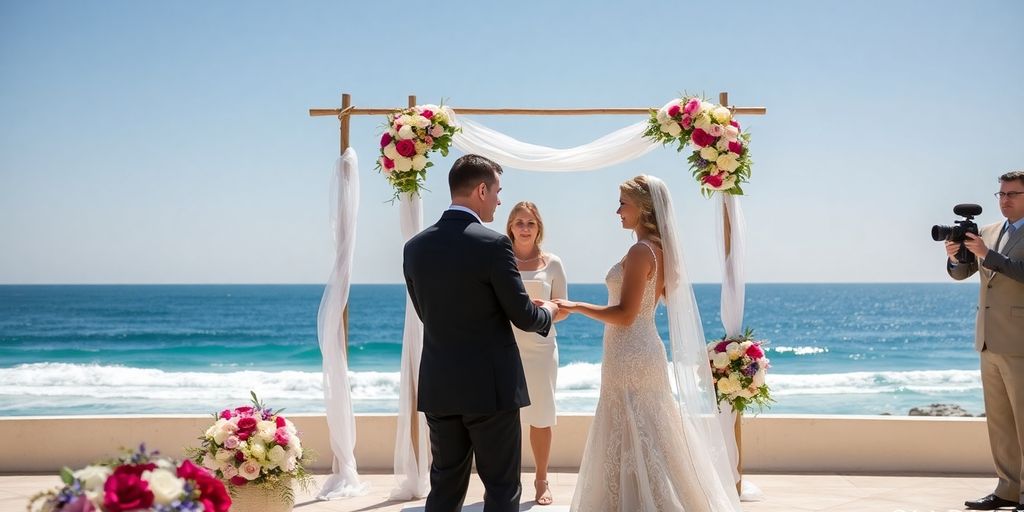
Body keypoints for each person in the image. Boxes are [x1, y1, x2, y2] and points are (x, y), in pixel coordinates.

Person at [554, 175, 741, 511]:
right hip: (641, 349)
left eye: (623, 203)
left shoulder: (641, 251)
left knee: (633, 427)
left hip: (630, 351)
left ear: (642, 208)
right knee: (651, 432)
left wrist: (575, 306)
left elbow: (626, 314)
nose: (617, 211)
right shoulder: (661, 250)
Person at [403, 154, 562, 512]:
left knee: (444, 487)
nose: (499, 200)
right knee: (502, 488)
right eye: (497, 191)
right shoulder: (493, 245)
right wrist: (548, 311)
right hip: (491, 390)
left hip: (440, 386)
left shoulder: (414, 248)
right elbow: (523, 315)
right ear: (481, 190)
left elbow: (428, 314)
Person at [948, 170, 1024, 512]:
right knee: (1000, 421)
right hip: (988, 340)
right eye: (1001, 194)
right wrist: (955, 256)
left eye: (1013, 194)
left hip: (1020, 341)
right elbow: (965, 273)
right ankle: (1007, 489)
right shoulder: (989, 231)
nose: (1005, 200)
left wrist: (988, 255)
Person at [505, 201, 568, 506]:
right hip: (505, 347)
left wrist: (546, 311)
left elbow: (563, 308)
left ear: (538, 227)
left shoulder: (552, 263)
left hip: (541, 349)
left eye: (530, 223)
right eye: (519, 223)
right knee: (505, 419)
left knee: (541, 417)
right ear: (510, 227)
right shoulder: (500, 258)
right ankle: (506, 483)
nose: (525, 228)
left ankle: (541, 481)